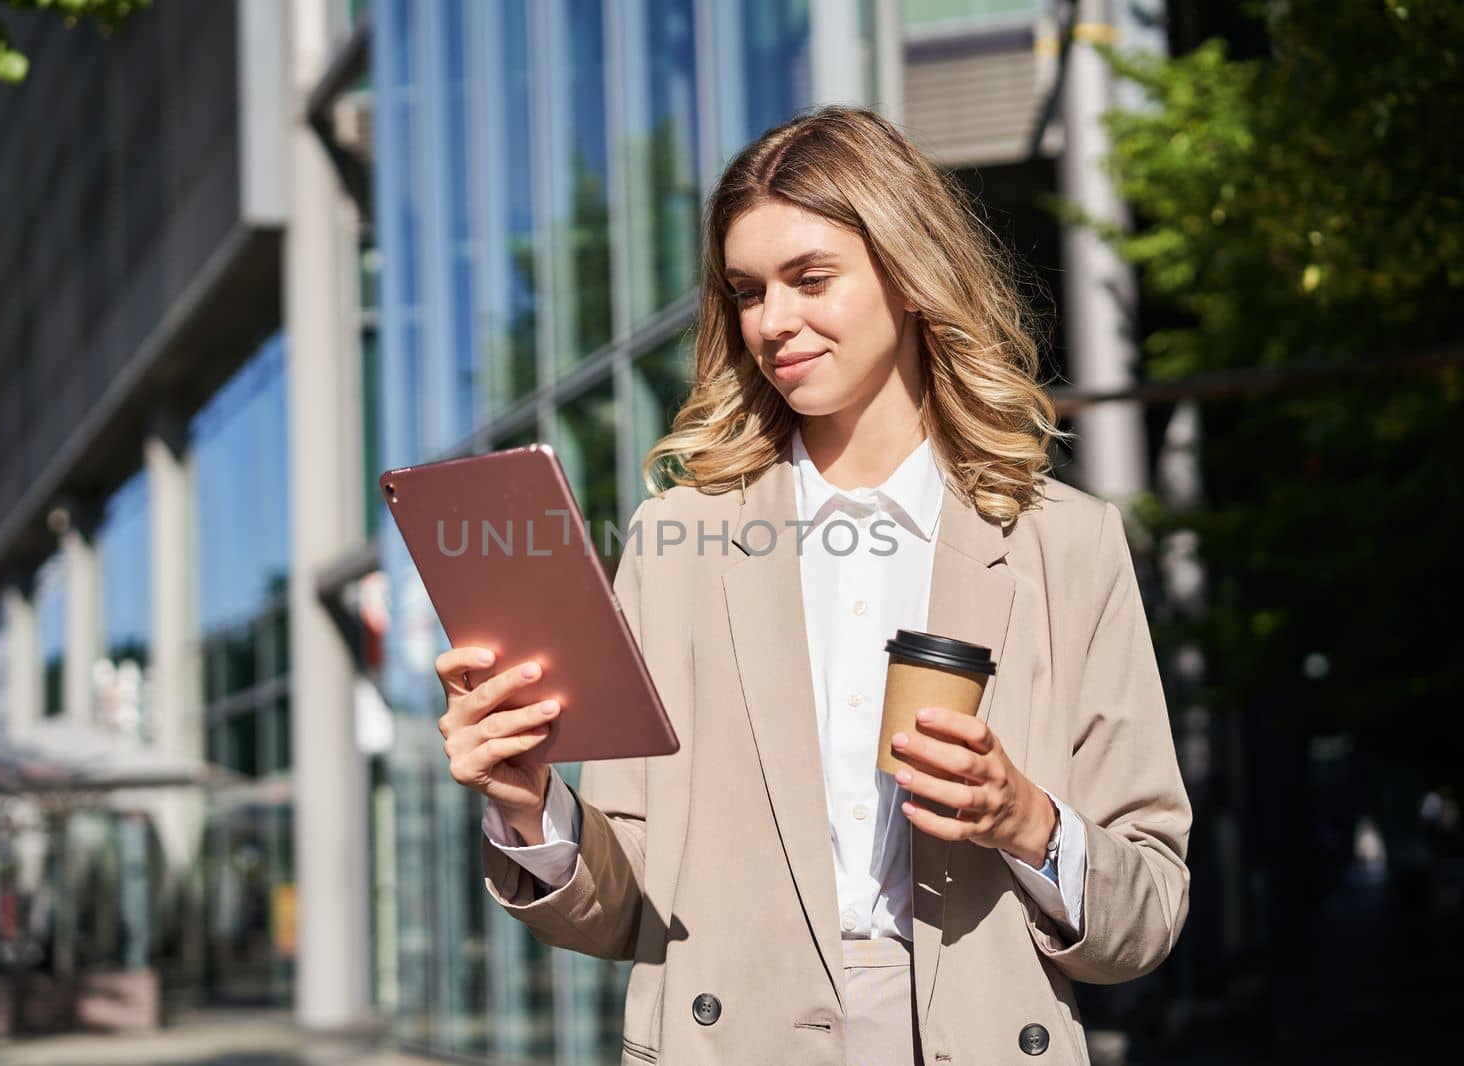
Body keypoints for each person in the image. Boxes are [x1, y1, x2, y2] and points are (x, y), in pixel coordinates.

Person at [434, 106, 1191, 1065]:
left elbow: (1151, 910)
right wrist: (527, 804)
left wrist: (1026, 820)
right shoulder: (677, 543)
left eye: (810, 279)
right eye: (748, 292)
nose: (774, 321)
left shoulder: (1064, 544)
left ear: (911, 274)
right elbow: (621, 908)